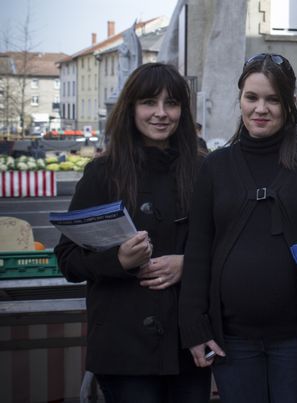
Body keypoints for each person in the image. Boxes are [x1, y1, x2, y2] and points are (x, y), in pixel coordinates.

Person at [179, 53, 297, 403]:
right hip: (232, 341)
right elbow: (197, 251)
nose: (261, 108)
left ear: (289, 104)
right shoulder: (215, 167)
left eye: (273, 99)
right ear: (240, 99)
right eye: (252, 97)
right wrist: (195, 327)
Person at [54, 63, 210, 402]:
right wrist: (119, 260)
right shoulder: (102, 174)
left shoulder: (203, 170)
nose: (161, 113)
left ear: (183, 111)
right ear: (131, 108)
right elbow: (67, 261)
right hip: (123, 350)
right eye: (149, 102)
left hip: (187, 344)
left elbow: (223, 245)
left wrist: (187, 264)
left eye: (171, 103)